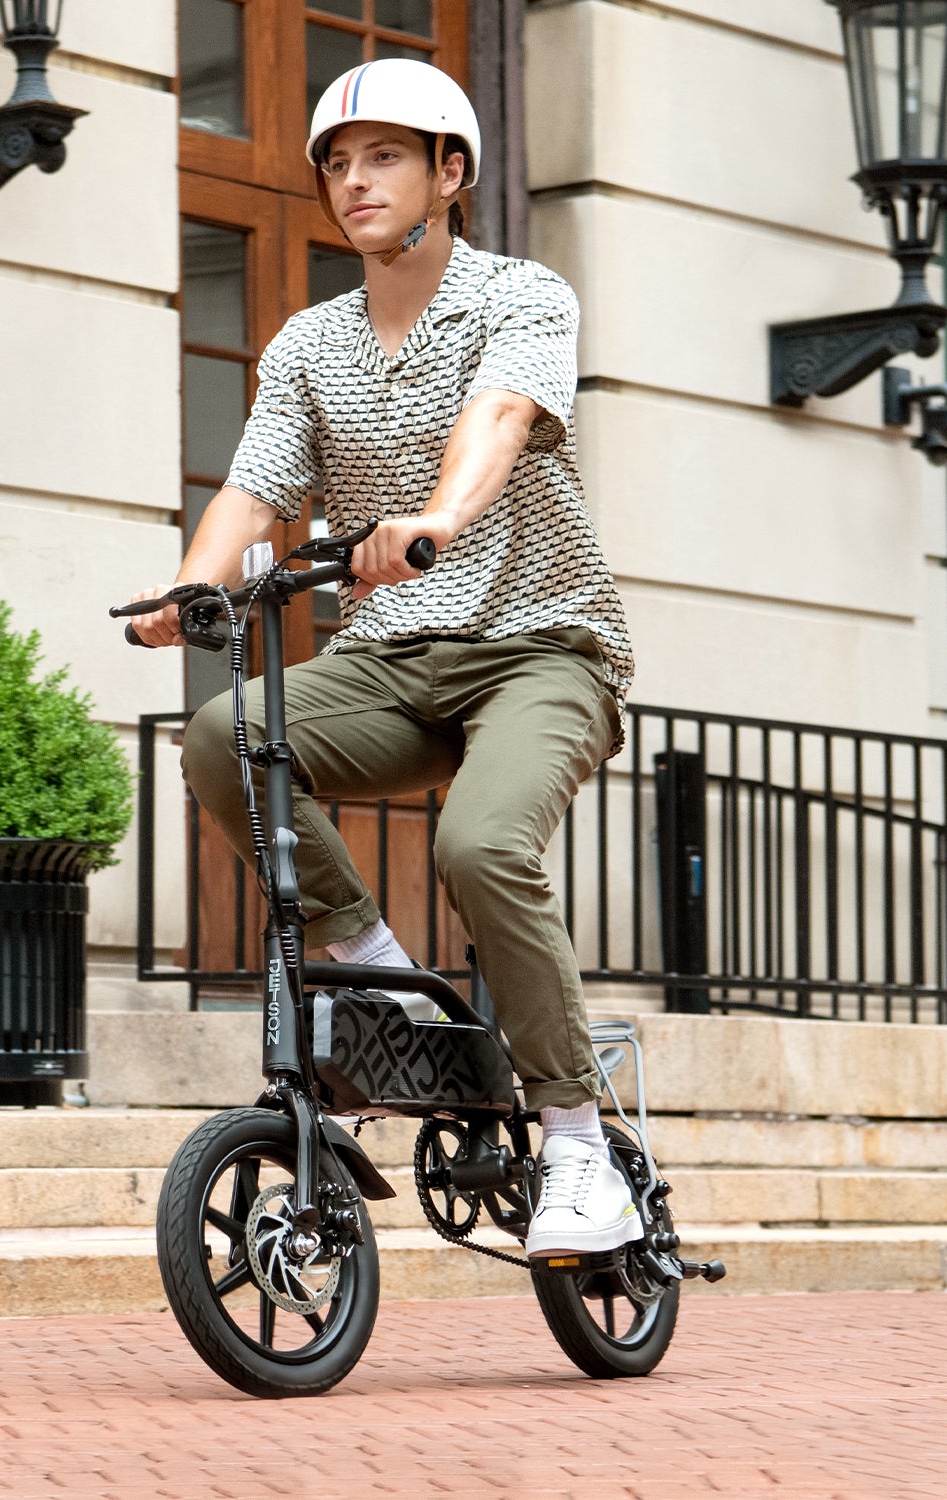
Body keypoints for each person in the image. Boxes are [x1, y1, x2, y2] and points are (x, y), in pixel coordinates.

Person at [131, 59, 640, 1259]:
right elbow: (252, 491)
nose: (355, 182)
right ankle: (373, 966)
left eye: (386, 158)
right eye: (339, 164)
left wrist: (436, 523)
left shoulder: (518, 295)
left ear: (450, 175)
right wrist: (194, 590)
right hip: (396, 656)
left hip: (541, 644)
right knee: (227, 733)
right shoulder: (310, 345)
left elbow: (502, 418)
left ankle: (575, 1140)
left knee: (478, 842)